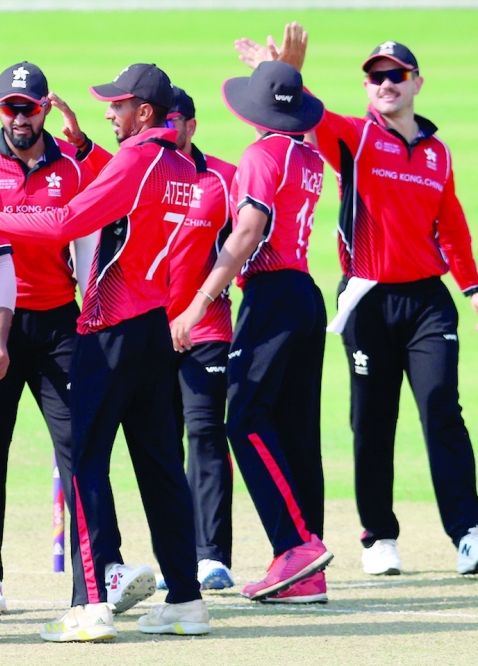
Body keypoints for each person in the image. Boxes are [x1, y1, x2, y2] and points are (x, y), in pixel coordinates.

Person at [0, 63, 211, 643]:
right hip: (151, 328)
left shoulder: (138, 159)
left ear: (144, 113)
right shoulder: (185, 164)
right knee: (161, 463)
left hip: (109, 326)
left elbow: (66, 221)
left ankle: (89, 607)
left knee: (84, 461)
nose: (108, 113)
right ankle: (187, 600)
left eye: (117, 106)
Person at [237, 23, 478, 576]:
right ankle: (379, 535)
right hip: (366, 297)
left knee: (440, 408)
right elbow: (301, 113)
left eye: (395, 76)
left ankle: (468, 534)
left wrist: (475, 293)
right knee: (373, 418)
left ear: (416, 83)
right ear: (366, 88)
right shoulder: (355, 137)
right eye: (375, 77)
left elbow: (451, 226)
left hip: (429, 301)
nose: (385, 84)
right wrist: (280, 73)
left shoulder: (437, 152)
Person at [0, 61, 152, 616]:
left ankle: (108, 568)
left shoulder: (73, 164)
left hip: (59, 322)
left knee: (81, 448)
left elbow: (123, 190)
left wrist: (87, 144)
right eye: (10, 108)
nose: (20, 117)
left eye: (30, 107)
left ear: (46, 107)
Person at [171, 60, 333, 604]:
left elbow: (246, 233)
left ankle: (295, 548)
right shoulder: (309, 153)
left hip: (271, 293)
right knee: (294, 431)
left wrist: (199, 303)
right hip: (305, 293)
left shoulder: (262, 154)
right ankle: (307, 564)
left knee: (242, 420)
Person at [162, 86, 238, 591]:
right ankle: (174, 556)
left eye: (174, 123)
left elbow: (249, 247)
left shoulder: (224, 178)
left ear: (192, 124)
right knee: (162, 446)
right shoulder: (138, 172)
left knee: (205, 433)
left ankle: (211, 555)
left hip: (207, 327)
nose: (166, 134)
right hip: (147, 330)